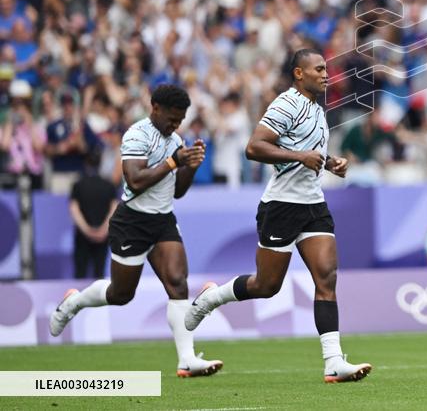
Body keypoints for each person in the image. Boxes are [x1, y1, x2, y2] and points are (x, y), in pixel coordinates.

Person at [184, 49, 372, 384]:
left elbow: (310, 151)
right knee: (266, 285)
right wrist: (300, 155)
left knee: (326, 279)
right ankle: (212, 297)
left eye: (326, 69)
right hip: (282, 205)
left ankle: (333, 361)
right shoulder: (286, 104)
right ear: (299, 74)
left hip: (313, 205)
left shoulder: (316, 109)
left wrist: (331, 162)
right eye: (319, 69)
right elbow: (255, 147)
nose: (326, 74)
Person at [49, 85, 223, 378]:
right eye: (172, 118)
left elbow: (177, 191)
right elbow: (135, 179)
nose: (175, 125)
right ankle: (74, 302)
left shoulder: (176, 139)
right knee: (121, 294)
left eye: (180, 120)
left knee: (178, 283)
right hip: (133, 221)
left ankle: (187, 359)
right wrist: (174, 161)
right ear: (155, 108)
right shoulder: (136, 135)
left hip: (163, 220)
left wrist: (191, 166)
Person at [69, 154, 118, 279]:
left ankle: (79, 299)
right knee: (99, 273)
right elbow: (114, 208)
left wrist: (86, 230)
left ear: (86, 163)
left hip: (82, 236)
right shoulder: (109, 185)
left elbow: (74, 209)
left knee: (80, 273)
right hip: (103, 236)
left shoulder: (78, 185)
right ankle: (99, 298)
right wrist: (103, 230)